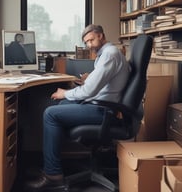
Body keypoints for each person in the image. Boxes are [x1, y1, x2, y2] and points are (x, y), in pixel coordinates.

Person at [24, 24, 130, 192]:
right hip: (99, 103)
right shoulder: (106, 54)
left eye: (92, 40)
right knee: (60, 107)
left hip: (103, 110)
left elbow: (89, 90)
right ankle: (51, 165)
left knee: (50, 113)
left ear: (101, 36)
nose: (89, 45)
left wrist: (65, 93)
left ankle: (53, 176)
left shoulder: (110, 54)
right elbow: (100, 82)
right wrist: (90, 78)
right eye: (86, 42)